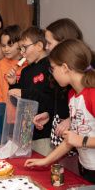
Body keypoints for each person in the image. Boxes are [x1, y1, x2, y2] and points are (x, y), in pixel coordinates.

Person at [24, 39, 95, 184]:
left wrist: (82, 141)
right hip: (86, 168)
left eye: (52, 69)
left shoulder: (92, 95)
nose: (52, 74)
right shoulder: (72, 95)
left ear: (64, 67)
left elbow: (78, 140)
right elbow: (70, 141)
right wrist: (46, 161)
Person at [33, 18, 84, 174]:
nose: (47, 48)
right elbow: (56, 99)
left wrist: (72, 120)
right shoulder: (71, 94)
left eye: (49, 43)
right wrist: (50, 113)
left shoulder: (87, 90)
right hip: (69, 138)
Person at [6, 26, 54, 156]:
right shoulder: (26, 71)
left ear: (39, 46)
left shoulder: (50, 67)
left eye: (24, 48)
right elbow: (18, 103)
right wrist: (13, 85)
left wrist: (24, 93)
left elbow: (50, 102)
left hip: (43, 135)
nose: (22, 53)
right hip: (25, 134)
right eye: (20, 49)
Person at [0, 25, 28, 131]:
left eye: (10, 45)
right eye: (3, 46)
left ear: (20, 44)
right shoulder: (1, 64)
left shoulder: (27, 64)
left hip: (23, 119)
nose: (6, 49)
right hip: (6, 117)